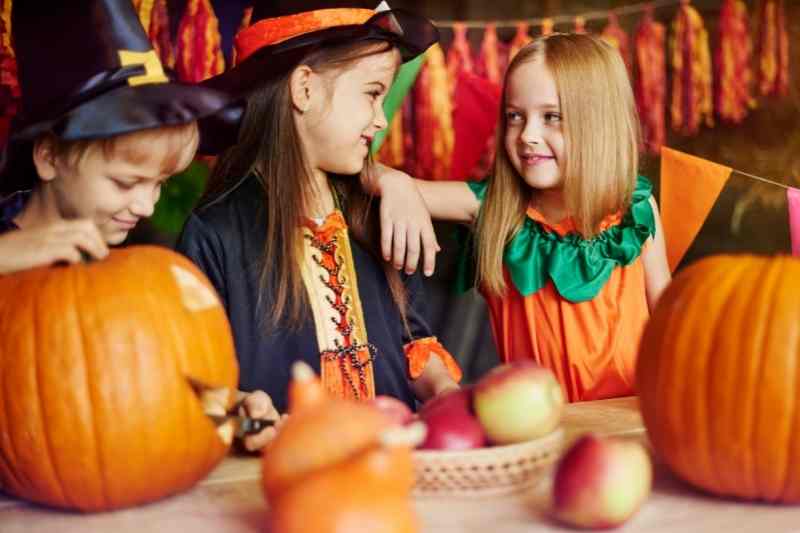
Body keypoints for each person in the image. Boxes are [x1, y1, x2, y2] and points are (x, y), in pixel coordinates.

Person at [176, 1, 463, 415]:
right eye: (372, 94)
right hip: (279, 472)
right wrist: (240, 410)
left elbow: (412, 341)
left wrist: (446, 393)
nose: (382, 120)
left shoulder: (379, 214)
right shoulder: (215, 234)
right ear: (304, 88)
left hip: (392, 464)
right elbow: (195, 385)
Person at [374, 33, 672, 402]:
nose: (527, 135)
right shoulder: (494, 208)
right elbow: (360, 173)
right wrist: (395, 181)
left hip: (631, 422)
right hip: (535, 430)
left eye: (552, 117)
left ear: (598, 123)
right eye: (515, 116)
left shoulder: (636, 209)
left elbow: (671, 322)